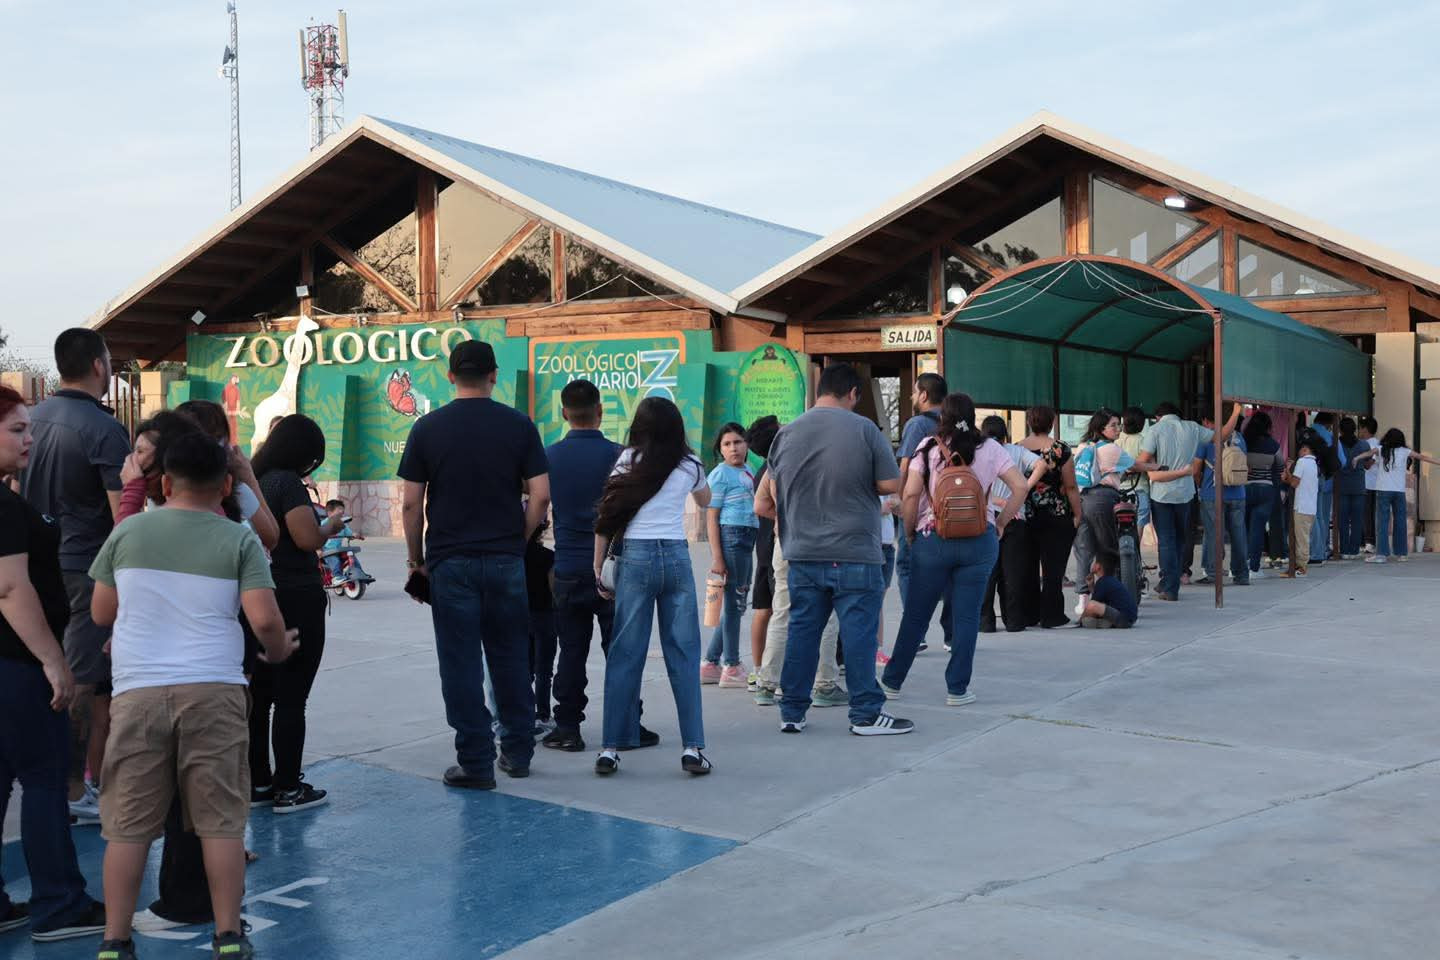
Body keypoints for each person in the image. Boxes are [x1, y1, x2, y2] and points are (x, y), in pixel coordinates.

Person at [88, 432, 299, 960]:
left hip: (137, 695)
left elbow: (100, 614)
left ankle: (115, 942)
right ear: (226, 484)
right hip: (215, 692)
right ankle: (228, 936)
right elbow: (265, 619)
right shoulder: (237, 538)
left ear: (163, 482)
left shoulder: (129, 532)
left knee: (129, 828)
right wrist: (277, 651)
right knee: (221, 822)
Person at [399, 341, 549, 787]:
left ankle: (476, 763)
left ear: (450, 376)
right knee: (511, 658)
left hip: (450, 563)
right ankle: (518, 753)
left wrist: (416, 559)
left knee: (460, 663)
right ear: (494, 375)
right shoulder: (519, 425)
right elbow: (540, 495)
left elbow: (411, 504)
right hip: (505, 560)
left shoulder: (427, 428)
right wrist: (517, 540)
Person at [0, 385, 108, 945]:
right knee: (45, 778)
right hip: (16, 666)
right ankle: (59, 904)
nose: (30, 438)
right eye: (17, 429)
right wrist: (53, 662)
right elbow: (10, 588)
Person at [17, 328, 131, 826]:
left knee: (48, 669)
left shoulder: (30, 420)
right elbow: (121, 515)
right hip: (87, 570)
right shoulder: (104, 429)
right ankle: (71, 788)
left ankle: (50, 778)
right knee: (84, 678)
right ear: (99, 365)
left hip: (37, 567)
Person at [759, 363, 906, 736]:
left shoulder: (787, 433)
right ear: (854, 393)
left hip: (802, 551)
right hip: (855, 550)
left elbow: (769, 491)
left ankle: (791, 711)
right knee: (858, 634)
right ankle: (866, 715)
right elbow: (890, 483)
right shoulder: (864, 429)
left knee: (802, 631)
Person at [881, 392, 1027, 706]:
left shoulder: (929, 447)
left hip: (933, 539)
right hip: (979, 539)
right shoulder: (990, 448)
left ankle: (892, 682)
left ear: (942, 416)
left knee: (917, 616)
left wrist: (909, 532)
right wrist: (1000, 522)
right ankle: (957, 690)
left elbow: (910, 496)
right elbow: (1020, 486)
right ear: (972, 416)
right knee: (966, 617)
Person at [592, 397, 712, 775]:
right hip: (676, 558)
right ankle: (692, 748)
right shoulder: (690, 464)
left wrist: (598, 568)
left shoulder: (628, 460)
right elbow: (706, 499)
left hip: (637, 560)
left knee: (626, 654)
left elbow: (608, 516)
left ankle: (610, 749)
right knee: (684, 654)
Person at [541, 379, 653, 754]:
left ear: (563, 414)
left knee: (570, 651)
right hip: (614, 569)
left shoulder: (549, 456)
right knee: (620, 651)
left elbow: (538, 509)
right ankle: (629, 725)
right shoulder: (621, 456)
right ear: (600, 410)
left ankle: (568, 728)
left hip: (568, 568)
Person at [249, 414, 345, 812]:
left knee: (261, 695)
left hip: (260, 593)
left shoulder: (254, 480)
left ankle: (257, 783)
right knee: (292, 696)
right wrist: (332, 525)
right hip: (297, 596)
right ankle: (289, 786)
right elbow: (305, 538)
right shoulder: (287, 483)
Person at [1139, 401, 1240, 600]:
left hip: (1162, 494)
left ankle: (1170, 587)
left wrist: (1154, 465)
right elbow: (1222, 435)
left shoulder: (1155, 430)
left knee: (1166, 540)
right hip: (1185, 493)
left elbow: (1143, 460)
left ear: (1158, 417)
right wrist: (1236, 413)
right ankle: (1169, 582)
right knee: (1179, 539)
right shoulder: (1193, 428)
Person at [893, 372, 950, 652]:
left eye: (915, 392)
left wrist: (902, 502)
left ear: (924, 395)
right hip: (951, 506)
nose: (913, 397)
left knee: (907, 565)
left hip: (922, 508)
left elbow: (905, 467)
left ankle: (917, 632)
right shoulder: (954, 423)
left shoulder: (917, 424)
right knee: (949, 567)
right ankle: (952, 634)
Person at [701, 422, 758, 687]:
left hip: (747, 538)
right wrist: (717, 557)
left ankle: (711, 663)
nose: (733, 448)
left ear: (746, 445)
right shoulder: (719, 475)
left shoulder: (749, 470)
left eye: (738, 442)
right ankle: (732, 666)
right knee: (735, 604)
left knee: (737, 603)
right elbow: (711, 518)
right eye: (727, 444)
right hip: (732, 538)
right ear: (720, 450)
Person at [978, 416, 1044, 633]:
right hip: (1015, 517)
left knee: (988, 572)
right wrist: (1022, 487)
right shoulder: (1015, 452)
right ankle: (1014, 621)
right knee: (1013, 573)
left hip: (988, 518)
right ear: (1005, 434)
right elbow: (1041, 464)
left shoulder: (979, 452)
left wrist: (995, 500)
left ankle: (985, 622)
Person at [1019, 406, 1080, 627]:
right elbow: (1071, 486)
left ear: (1029, 423)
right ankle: (1052, 615)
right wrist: (1078, 514)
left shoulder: (1018, 448)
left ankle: (1030, 613)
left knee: (1028, 566)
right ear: (1052, 423)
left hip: (1026, 514)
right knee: (1053, 567)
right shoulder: (1060, 449)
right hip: (1057, 514)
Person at [1353, 430, 1440, 563]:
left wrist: (1356, 458)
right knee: (1400, 522)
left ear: (1387, 438)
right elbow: (1423, 457)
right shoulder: (1405, 451)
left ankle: (1382, 554)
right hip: (1399, 491)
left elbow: (1368, 453)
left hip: (1383, 490)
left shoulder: (1381, 449)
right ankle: (1402, 554)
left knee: (1382, 522)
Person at [1193, 402, 1249, 586]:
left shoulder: (1206, 440)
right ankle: (1241, 575)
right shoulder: (1240, 438)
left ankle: (1212, 573)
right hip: (1238, 493)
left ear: (1208, 421)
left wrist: (1201, 485)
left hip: (1213, 494)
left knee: (1213, 535)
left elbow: (1196, 469)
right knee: (1238, 535)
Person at [745, 416, 781, 686]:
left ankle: (758, 669)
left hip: (764, 549)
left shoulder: (762, 471)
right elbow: (761, 508)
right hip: (774, 549)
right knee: (776, 611)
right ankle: (767, 673)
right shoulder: (773, 470)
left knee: (764, 609)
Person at [1241, 412, 1284, 580]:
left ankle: (1238, 566)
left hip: (1244, 489)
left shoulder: (1244, 442)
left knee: (1242, 529)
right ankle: (1254, 568)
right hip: (1266, 489)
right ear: (1267, 427)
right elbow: (1280, 467)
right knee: (1257, 529)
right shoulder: (1273, 445)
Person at [525, 522, 557, 735]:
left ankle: (523, 713)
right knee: (543, 670)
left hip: (521, 617)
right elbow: (553, 588)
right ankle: (542, 715)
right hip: (544, 616)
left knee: (524, 669)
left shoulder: (514, 555)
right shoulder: (548, 556)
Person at [1279, 437, 1319, 578]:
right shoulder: (1314, 464)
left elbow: (1294, 483)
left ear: (1305, 450)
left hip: (1302, 506)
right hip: (1310, 506)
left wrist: (1287, 473)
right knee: (1303, 537)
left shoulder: (1303, 462)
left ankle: (1301, 567)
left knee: (1301, 538)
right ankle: (1298, 566)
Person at [1309, 412, 1344, 566]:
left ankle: (1314, 551)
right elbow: (1342, 461)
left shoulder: (1307, 433)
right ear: (1329, 424)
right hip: (1327, 480)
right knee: (1322, 516)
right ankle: (1322, 548)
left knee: (1313, 515)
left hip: (1308, 479)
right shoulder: (1331, 436)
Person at [1336, 418, 1369, 560]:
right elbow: (1368, 465)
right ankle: (1354, 550)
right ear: (1355, 429)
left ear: (1341, 430)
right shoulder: (1363, 445)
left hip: (1341, 485)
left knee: (1342, 520)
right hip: (1359, 486)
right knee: (1357, 520)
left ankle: (1344, 550)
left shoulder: (1336, 444)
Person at [1078, 550, 1137, 629]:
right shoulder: (1110, 580)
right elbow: (1099, 599)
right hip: (1128, 618)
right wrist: (1091, 586)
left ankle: (1080, 622)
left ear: (1098, 566)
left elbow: (1093, 604)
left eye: (1094, 562)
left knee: (1091, 606)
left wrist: (1081, 620)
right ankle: (1106, 623)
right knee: (1091, 615)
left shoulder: (1103, 582)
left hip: (1123, 619)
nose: (1092, 563)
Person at [1117, 407, 1151, 538]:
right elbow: (1148, 464)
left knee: (1118, 525)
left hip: (1119, 490)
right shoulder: (1144, 441)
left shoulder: (1116, 439)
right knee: (1139, 522)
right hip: (1140, 489)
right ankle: (1135, 553)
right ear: (1142, 425)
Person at [321, 499, 369, 583]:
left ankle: (359, 572)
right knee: (333, 559)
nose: (342, 513)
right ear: (329, 513)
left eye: (342, 511)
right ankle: (337, 576)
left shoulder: (343, 524)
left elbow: (349, 533)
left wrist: (354, 535)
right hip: (327, 550)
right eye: (339, 510)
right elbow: (318, 536)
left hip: (338, 549)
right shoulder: (324, 524)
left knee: (351, 555)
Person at [1360, 416, 1380, 551]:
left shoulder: (1370, 444)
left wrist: (1357, 461)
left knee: (1368, 513)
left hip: (1369, 483)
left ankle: (1369, 541)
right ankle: (1369, 540)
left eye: (1360, 428)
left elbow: (1369, 464)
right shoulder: (1377, 442)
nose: (1359, 431)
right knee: (1371, 513)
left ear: (1366, 429)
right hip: (1375, 483)